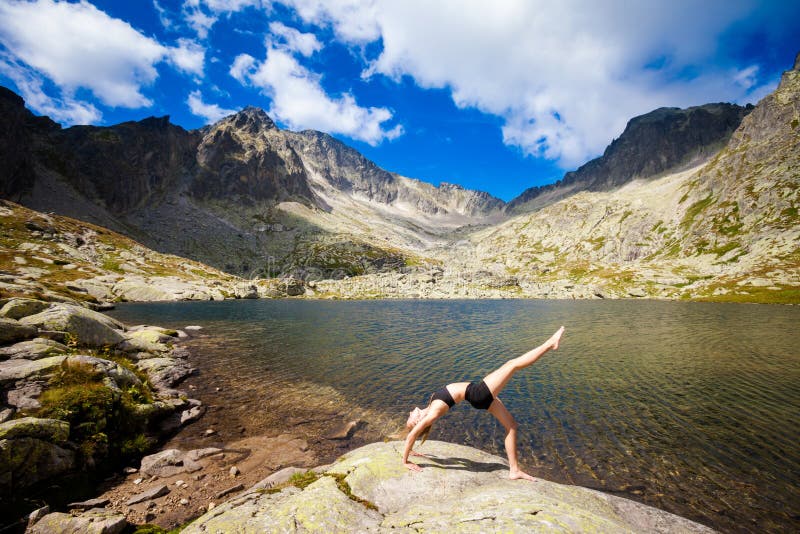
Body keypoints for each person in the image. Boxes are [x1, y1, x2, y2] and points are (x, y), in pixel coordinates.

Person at [402, 326, 565, 481]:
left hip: (478, 395)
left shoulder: (431, 404)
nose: (410, 413)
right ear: (418, 421)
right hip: (479, 393)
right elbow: (412, 435)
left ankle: (514, 470)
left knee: (512, 426)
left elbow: (413, 436)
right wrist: (405, 461)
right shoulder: (432, 413)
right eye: (410, 419)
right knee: (512, 364)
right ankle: (550, 343)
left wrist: (412, 450)